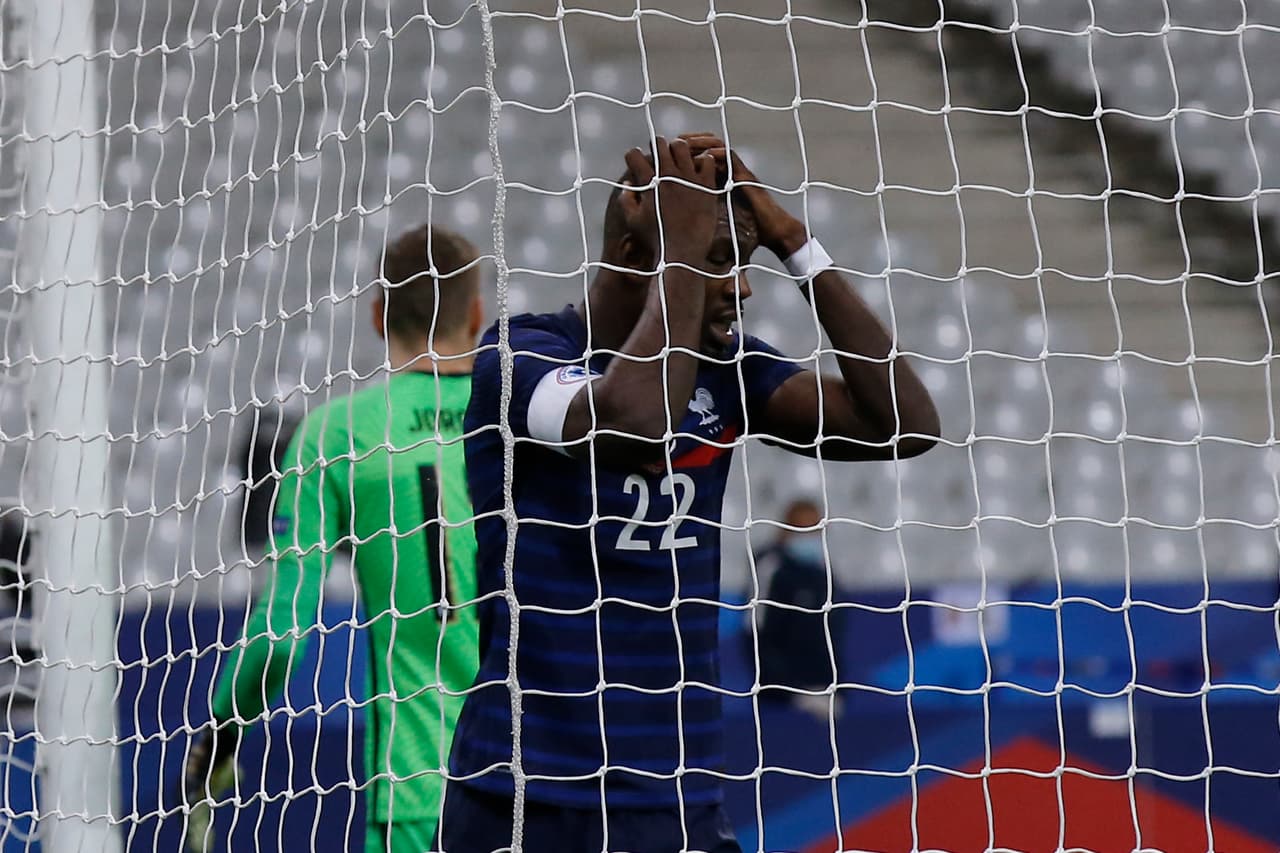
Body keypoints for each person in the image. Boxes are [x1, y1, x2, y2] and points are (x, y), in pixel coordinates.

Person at [442, 134, 940, 853]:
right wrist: (681, 251)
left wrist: (795, 244)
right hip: (524, 792)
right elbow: (637, 424)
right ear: (641, 254)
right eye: (718, 262)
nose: (741, 287)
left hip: (674, 795)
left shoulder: (729, 369)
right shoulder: (521, 357)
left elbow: (905, 423)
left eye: (742, 263)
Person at [182, 224, 485, 852]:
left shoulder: (339, 434)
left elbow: (280, 638)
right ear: (478, 315)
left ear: (378, 316)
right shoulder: (522, 422)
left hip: (420, 789)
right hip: (546, 784)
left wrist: (221, 733)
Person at [754, 497, 848, 717]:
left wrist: (836, 686)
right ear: (786, 529)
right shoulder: (771, 567)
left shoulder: (823, 568)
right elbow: (756, 633)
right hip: (778, 702)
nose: (810, 537)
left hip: (826, 693)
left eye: (815, 529)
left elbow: (834, 632)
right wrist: (791, 693)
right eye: (803, 529)